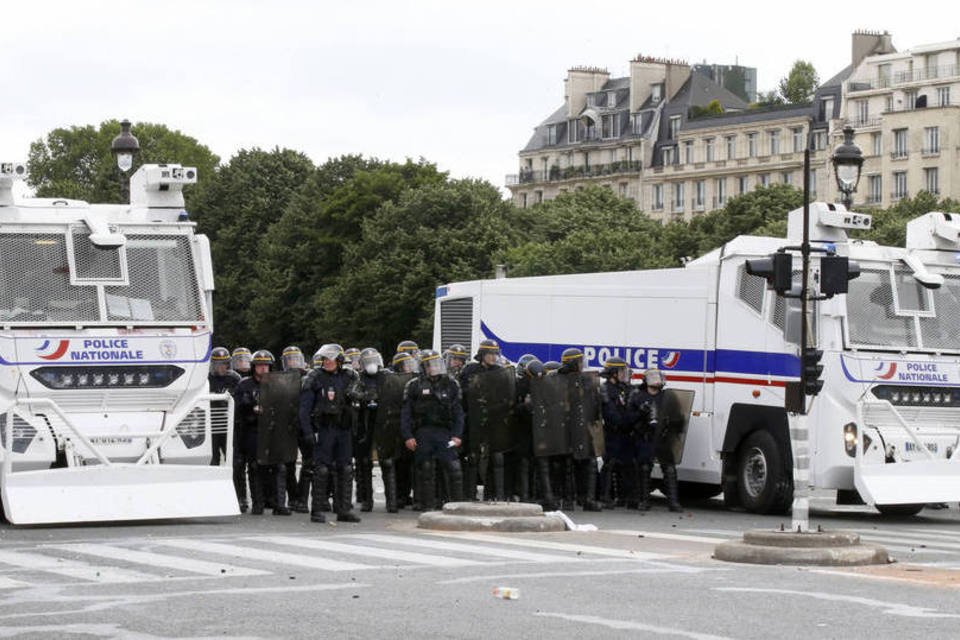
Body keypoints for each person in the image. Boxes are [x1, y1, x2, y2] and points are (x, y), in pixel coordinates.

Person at [300, 344, 361, 523]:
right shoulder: (314, 377)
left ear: (340, 360)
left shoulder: (349, 376)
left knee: (346, 469)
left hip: (343, 428)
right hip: (324, 429)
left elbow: (360, 397)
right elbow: (304, 409)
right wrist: (308, 431)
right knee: (322, 469)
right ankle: (317, 510)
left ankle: (344, 510)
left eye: (331, 359)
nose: (327, 362)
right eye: (325, 359)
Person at [400, 350, 464, 510]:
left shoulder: (451, 383)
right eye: (429, 365)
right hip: (423, 432)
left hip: (444, 432)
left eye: (436, 363)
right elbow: (406, 414)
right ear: (423, 367)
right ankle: (427, 505)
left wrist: (457, 435)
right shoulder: (414, 385)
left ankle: (457, 505)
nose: (434, 367)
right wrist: (408, 436)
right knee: (426, 469)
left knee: (453, 468)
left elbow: (458, 413)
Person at [557, 347, 602, 512]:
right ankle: (568, 500)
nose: (582, 365)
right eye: (580, 362)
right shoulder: (558, 379)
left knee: (588, 462)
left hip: (583, 427)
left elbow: (591, 402)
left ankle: (587, 499)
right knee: (568, 464)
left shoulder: (585, 380)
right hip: (566, 428)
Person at [631, 368, 682, 512]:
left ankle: (673, 502)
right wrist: (641, 416)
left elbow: (678, 418)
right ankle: (644, 500)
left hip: (662, 438)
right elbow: (629, 419)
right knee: (644, 468)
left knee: (670, 469)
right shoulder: (638, 396)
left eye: (657, 378)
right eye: (652, 378)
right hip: (645, 437)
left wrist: (669, 425)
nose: (655, 381)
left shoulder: (668, 397)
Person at [458, 339, 503, 501]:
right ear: (482, 354)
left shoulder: (499, 371)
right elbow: (462, 393)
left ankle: (493, 494)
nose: (493, 357)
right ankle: (470, 494)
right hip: (473, 419)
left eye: (495, 354)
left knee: (494, 458)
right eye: (490, 354)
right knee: (473, 457)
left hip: (492, 419)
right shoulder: (470, 370)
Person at [233, 350, 275, 515]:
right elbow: (238, 408)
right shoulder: (245, 384)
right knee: (254, 467)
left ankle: (274, 501)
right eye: (259, 365)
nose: (263, 369)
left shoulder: (276, 383)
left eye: (266, 365)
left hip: (272, 429)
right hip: (251, 430)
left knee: (275, 467)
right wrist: (251, 407)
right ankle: (257, 502)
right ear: (253, 367)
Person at [599, 357, 640, 509]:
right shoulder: (605, 390)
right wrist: (629, 418)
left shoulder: (626, 388)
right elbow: (613, 416)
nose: (625, 375)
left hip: (627, 433)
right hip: (613, 433)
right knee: (610, 464)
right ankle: (605, 496)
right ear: (613, 373)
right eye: (622, 371)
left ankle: (627, 497)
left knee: (628, 465)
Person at [349, 347, 385, 512]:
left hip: (382, 422)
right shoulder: (359, 378)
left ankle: (393, 500)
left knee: (388, 461)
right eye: (368, 362)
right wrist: (367, 397)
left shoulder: (385, 377)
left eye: (374, 361)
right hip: (364, 423)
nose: (372, 365)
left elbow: (391, 393)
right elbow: (351, 392)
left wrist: (379, 397)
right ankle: (366, 498)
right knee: (364, 462)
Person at [281, 346, 311, 513]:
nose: (293, 362)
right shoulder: (281, 378)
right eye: (289, 359)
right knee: (288, 464)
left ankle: (303, 499)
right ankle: (293, 497)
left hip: (304, 424)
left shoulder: (309, 378)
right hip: (288, 424)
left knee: (309, 463)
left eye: (295, 358)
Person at [208, 347, 241, 468]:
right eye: (218, 364)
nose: (222, 367)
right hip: (212, 422)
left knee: (231, 457)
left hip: (229, 423)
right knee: (212, 458)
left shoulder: (235, 378)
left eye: (224, 364)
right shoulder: (207, 379)